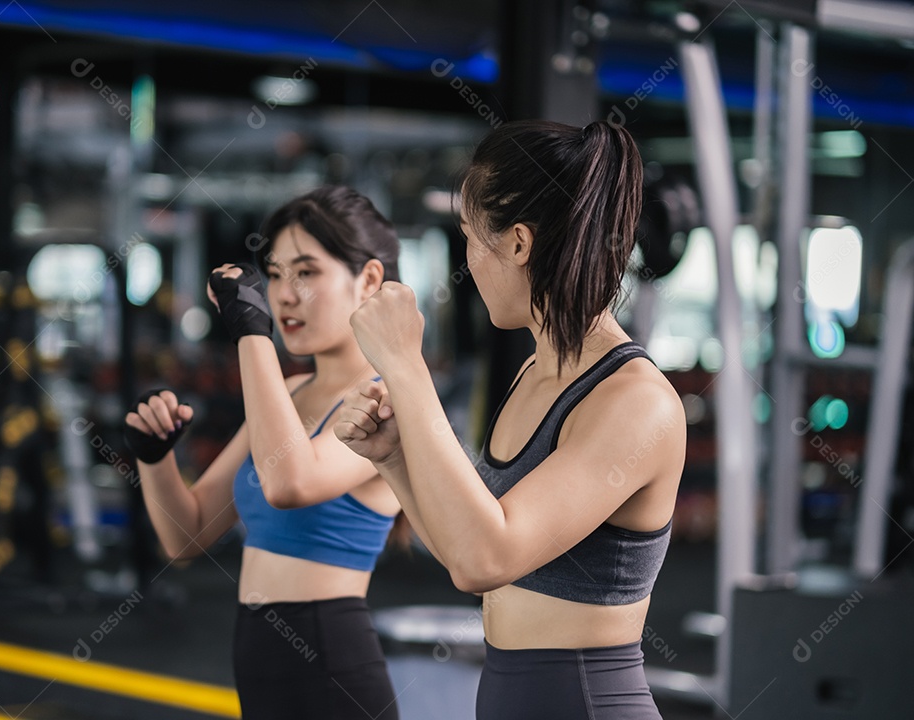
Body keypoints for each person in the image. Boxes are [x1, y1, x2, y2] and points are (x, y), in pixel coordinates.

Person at [334, 120, 686, 719]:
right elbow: (465, 551)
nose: (469, 263)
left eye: (471, 238)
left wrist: (403, 365)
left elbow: (482, 561)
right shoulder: (534, 376)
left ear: (519, 243)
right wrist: (394, 458)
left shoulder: (635, 401)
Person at [124, 186, 403, 720]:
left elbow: (290, 484)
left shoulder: (385, 399)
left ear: (367, 280)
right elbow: (188, 537)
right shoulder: (291, 394)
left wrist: (250, 333)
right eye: (274, 275)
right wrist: (155, 457)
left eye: (306, 273)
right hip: (260, 664)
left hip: (332, 669)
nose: (284, 295)